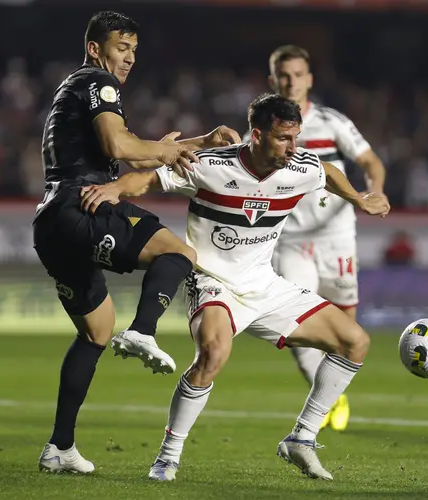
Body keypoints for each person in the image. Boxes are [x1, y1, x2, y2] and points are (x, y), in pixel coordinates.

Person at [80, 93, 390, 481]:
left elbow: (326, 172)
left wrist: (358, 199)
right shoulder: (210, 165)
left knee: (355, 342)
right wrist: (115, 190)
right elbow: (149, 178)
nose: (293, 148)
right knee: (213, 353)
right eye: (283, 139)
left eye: (296, 138)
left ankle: (302, 438)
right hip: (213, 282)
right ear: (256, 135)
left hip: (264, 285)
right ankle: (167, 457)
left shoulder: (300, 166)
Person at [33, 11, 240, 474]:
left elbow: (130, 144)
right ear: (95, 48)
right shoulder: (97, 83)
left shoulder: (77, 88)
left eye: (133, 51)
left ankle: (60, 447)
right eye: (121, 48)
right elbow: (118, 146)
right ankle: (144, 330)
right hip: (81, 205)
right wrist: (163, 149)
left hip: (51, 223)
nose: (128, 59)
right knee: (179, 253)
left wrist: (198, 141)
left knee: (95, 333)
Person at [251, 45, 387, 431]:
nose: (291, 81)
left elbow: (370, 162)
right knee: (295, 325)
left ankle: (331, 390)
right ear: (272, 81)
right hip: (290, 240)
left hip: (336, 236)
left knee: (347, 330)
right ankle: (329, 396)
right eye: (283, 75)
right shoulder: (260, 130)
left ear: (309, 79)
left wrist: (373, 191)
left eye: (298, 74)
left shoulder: (331, 122)